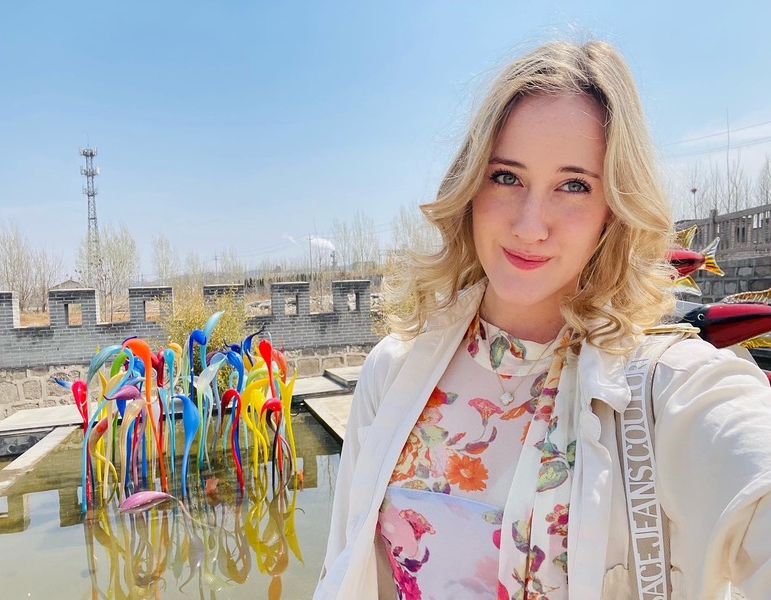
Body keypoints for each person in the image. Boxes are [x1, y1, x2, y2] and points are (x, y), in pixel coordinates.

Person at [314, 39, 771, 600]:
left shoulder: (666, 388)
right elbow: (344, 566)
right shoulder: (394, 370)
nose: (530, 226)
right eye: (507, 177)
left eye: (573, 185)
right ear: (470, 186)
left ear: (613, 210)